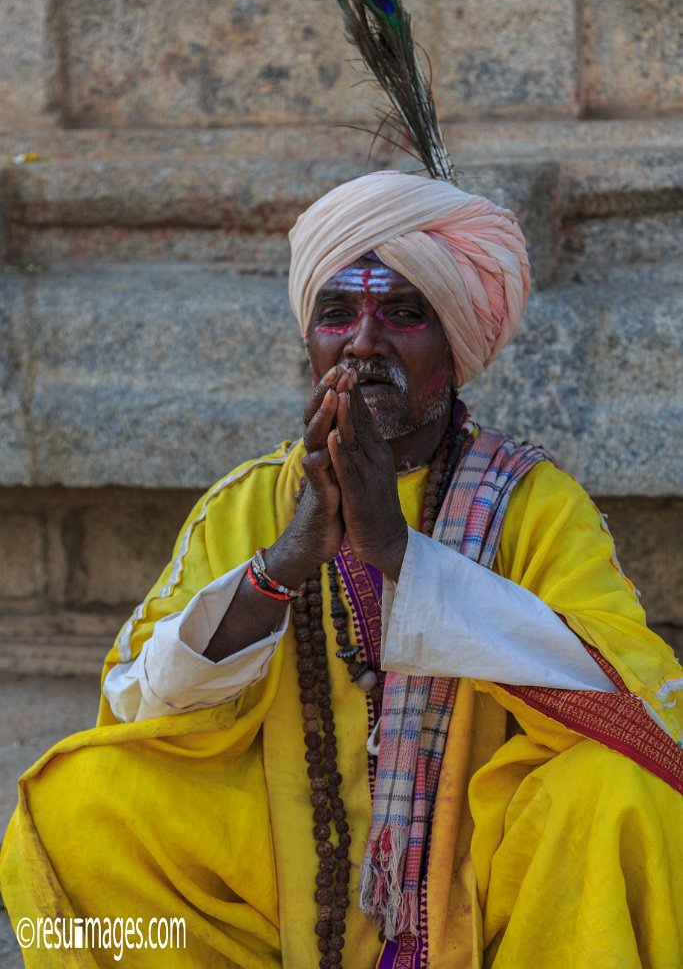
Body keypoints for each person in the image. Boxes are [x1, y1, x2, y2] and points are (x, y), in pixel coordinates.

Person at [1, 169, 683, 969]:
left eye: (401, 313)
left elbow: (634, 705)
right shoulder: (249, 502)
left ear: (454, 348)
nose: (362, 342)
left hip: (489, 873)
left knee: (616, 790)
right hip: (281, 868)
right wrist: (281, 565)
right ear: (310, 339)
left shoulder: (534, 503)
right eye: (337, 314)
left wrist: (400, 555)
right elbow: (137, 699)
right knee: (75, 802)